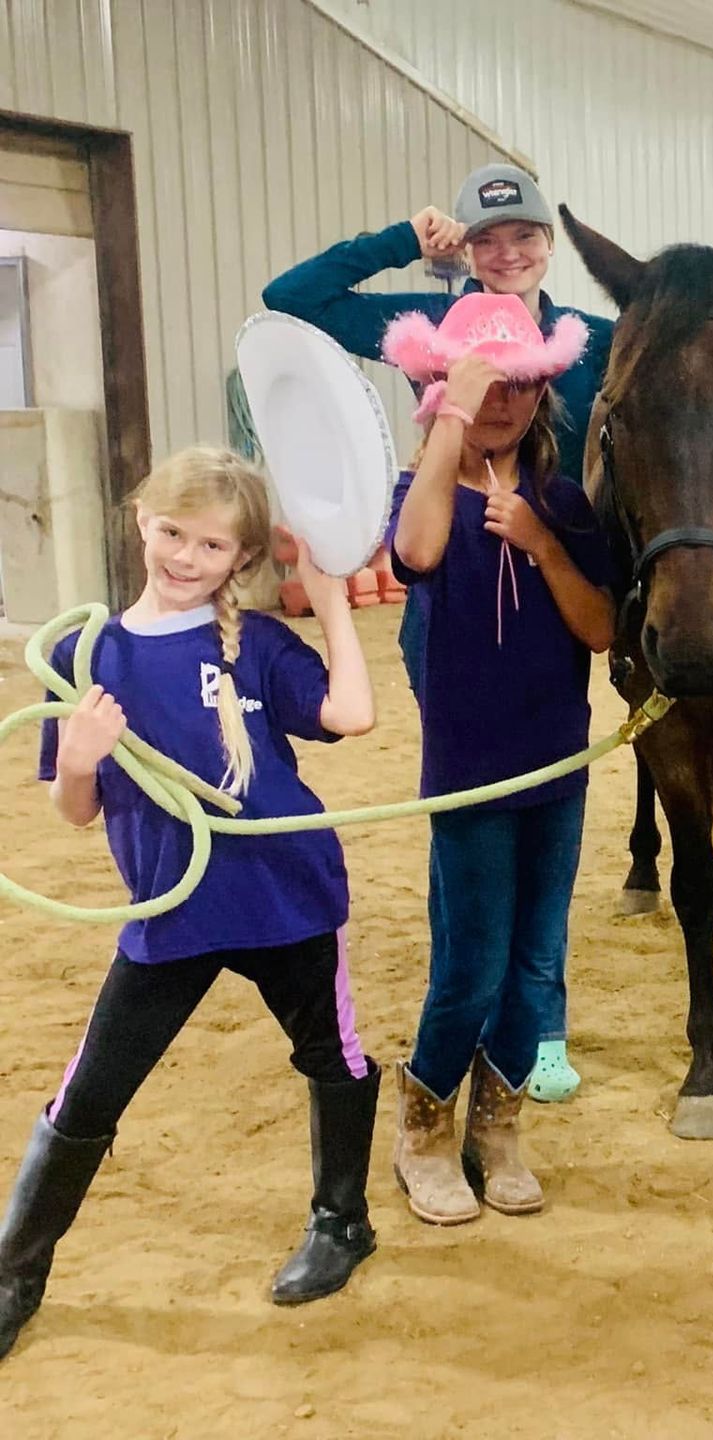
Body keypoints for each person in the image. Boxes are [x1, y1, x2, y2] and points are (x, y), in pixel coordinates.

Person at [0, 446, 380, 1362]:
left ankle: (342, 1221)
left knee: (333, 1053)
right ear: (142, 521)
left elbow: (350, 715)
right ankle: (15, 1273)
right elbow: (76, 810)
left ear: (240, 560)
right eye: (173, 532)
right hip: (171, 914)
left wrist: (327, 597)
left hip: (286, 891)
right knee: (89, 1091)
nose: (185, 556)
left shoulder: (251, 645)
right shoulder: (84, 653)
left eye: (213, 546)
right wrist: (84, 755)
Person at [264, 163, 613, 1102]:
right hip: (448, 578)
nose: (506, 254)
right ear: (466, 244)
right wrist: (400, 245)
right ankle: (469, 980)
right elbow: (291, 300)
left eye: (524, 238)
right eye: (486, 239)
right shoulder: (434, 322)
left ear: (549, 247)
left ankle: (538, 1020)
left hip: (558, 561)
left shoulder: (595, 340)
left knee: (548, 791)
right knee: (472, 800)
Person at [382, 293, 614, 1226]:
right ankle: (423, 1131)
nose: (503, 400)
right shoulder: (427, 491)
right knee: (469, 964)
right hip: (471, 770)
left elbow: (599, 630)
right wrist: (449, 420)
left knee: (533, 960)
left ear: (544, 390)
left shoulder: (563, 502)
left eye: (520, 382)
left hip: (554, 767)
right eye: (484, 382)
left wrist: (541, 541)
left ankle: (499, 1128)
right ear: (445, 385)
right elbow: (417, 551)